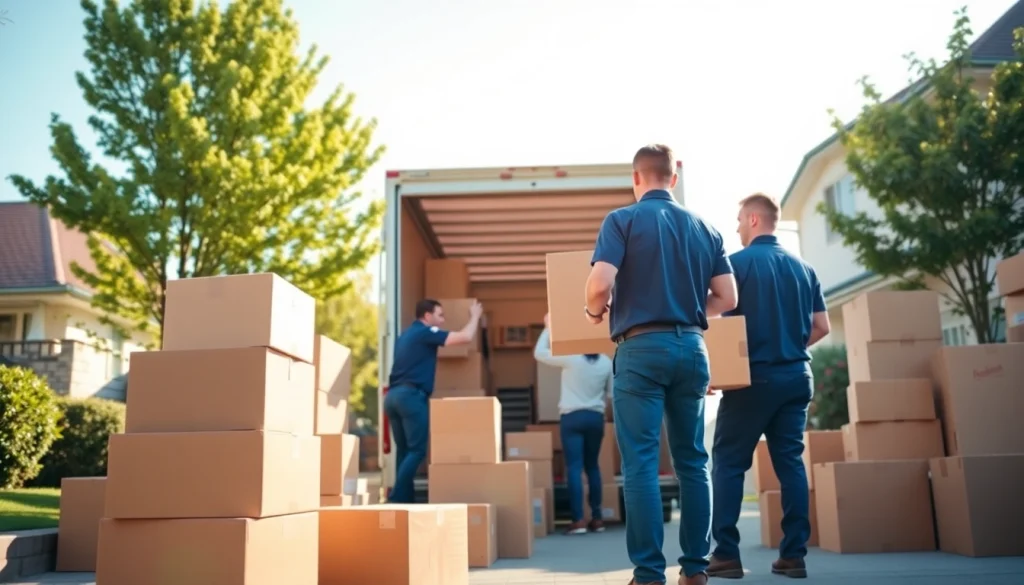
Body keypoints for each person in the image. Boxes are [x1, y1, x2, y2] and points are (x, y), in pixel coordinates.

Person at [585, 144, 738, 585]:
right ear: (673, 179)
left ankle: (650, 574)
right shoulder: (705, 228)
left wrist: (596, 312)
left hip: (640, 350)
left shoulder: (622, 220)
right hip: (692, 349)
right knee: (693, 461)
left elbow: (599, 285)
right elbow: (728, 298)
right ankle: (695, 570)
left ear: (636, 179)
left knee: (642, 463)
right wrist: (687, 311)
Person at [707, 193, 830, 580]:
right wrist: (790, 349)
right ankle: (793, 555)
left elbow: (718, 320)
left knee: (727, 462)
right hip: (796, 378)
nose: (737, 227)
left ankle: (726, 554)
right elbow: (822, 327)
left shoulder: (736, 266)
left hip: (752, 380)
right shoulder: (804, 269)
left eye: (740, 220)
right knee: (790, 463)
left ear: (755, 220)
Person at [384, 298, 483, 503]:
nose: (443, 319)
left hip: (393, 397)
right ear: (427, 316)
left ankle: (404, 501)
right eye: (440, 315)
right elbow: (465, 337)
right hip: (411, 398)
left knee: (404, 452)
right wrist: (475, 317)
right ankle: (396, 498)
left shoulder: (404, 336)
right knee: (417, 450)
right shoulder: (425, 332)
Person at [534, 312, 613, 535]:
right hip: (595, 418)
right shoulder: (606, 363)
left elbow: (540, 353)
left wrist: (549, 327)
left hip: (572, 417)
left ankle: (578, 520)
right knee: (593, 467)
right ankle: (597, 519)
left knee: (574, 468)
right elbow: (611, 395)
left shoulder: (571, 358)